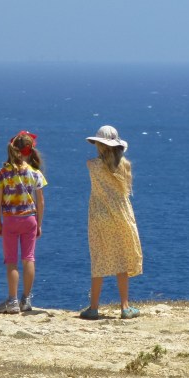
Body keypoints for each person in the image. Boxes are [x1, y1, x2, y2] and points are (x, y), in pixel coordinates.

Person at [80, 125, 143, 320]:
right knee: (122, 261)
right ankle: (125, 307)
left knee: (98, 258)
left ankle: (93, 308)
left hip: (99, 216)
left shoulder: (92, 165)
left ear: (98, 144)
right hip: (121, 215)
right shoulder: (125, 165)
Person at [0, 131, 47, 314]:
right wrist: (39, 223)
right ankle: (26, 299)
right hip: (29, 219)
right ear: (30, 151)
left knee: (12, 262)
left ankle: (12, 300)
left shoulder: (5, 172)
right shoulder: (35, 173)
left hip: (10, 220)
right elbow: (40, 201)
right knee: (28, 258)